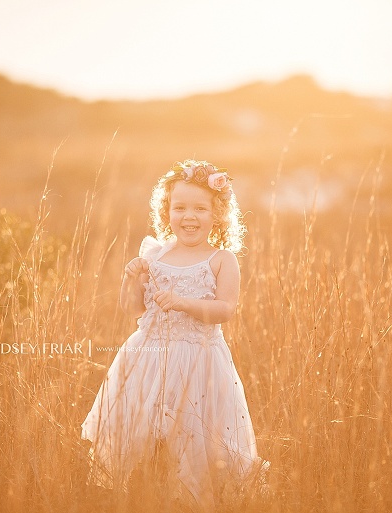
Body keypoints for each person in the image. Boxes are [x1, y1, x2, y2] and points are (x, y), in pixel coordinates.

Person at [81, 159, 269, 511]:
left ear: (218, 214)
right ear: (166, 211)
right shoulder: (155, 253)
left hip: (199, 363)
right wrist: (130, 279)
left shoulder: (221, 259)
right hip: (147, 360)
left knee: (195, 443)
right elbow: (134, 310)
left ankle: (191, 501)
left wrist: (184, 302)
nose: (189, 216)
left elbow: (226, 309)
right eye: (179, 207)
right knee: (144, 438)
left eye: (200, 208)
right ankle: (143, 494)